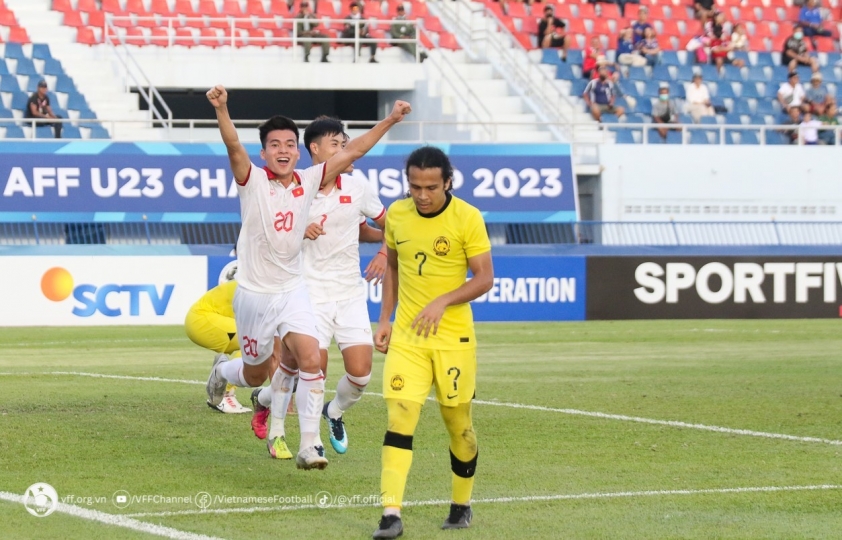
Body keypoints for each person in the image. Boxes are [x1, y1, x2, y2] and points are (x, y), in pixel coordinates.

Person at [203, 84, 410, 470]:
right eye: (275, 145)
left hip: (296, 290)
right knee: (255, 372)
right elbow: (233, 146)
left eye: (289, 145)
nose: (283, 151)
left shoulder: (309, 181)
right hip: (254, 293)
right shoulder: (252, 182)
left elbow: (354, 150)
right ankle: (222, 373)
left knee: (311, 359)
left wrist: (391, 120)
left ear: (299, 152)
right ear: (264, 152)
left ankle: (310, 445)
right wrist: (222, 109)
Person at [371, 146, 494, 539]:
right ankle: (390, 514)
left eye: (430, 187)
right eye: (414, 186)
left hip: (453, 340)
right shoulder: (398, 214)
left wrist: (443, 300)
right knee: (400, 416)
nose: (421, 195)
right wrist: (385, 318)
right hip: (407, 337)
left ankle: (461, 503)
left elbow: (484, 277)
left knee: (458, 425)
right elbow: (391, 265)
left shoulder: (467, 217)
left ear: (447, 183)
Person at [250, 117, 389, 460]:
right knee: (312, 370)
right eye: (337, 144)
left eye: (345, 144)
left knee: (361, 375)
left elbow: (386, 226)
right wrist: (299, 231)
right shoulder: (293, 189)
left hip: (349, 293)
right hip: (308, 292)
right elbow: (269, 240)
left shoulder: (356, 188)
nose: (344, 150)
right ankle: (306, 443)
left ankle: (332, 412)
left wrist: (385, 251)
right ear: (314, 148)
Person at [185, 267, 250, 414]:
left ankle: (222, 376)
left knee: (255, 342)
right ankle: (225, 393)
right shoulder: (255, 286)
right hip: (201, 319)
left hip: (200, 318)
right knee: (252, 341)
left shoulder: (254, 282)